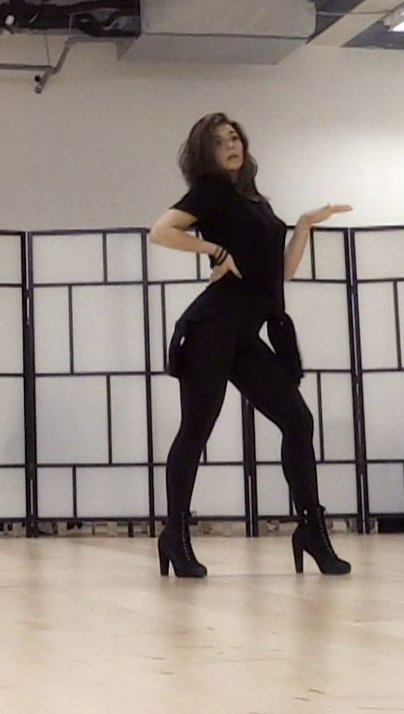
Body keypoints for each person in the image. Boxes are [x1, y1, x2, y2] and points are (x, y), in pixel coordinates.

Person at [149, 112, 352, 579]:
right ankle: (175, 535)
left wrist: (304, 224)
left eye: (235, 137)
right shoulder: (209, 194)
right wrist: (215, 251)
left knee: (297, 421)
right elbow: (160, 231)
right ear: (206, 153)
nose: (231, 145)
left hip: (245, 334)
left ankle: (312, 530)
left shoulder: (255, 201)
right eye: (220, 141)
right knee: (196, 430)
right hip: (211, 329)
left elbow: (281, 273)